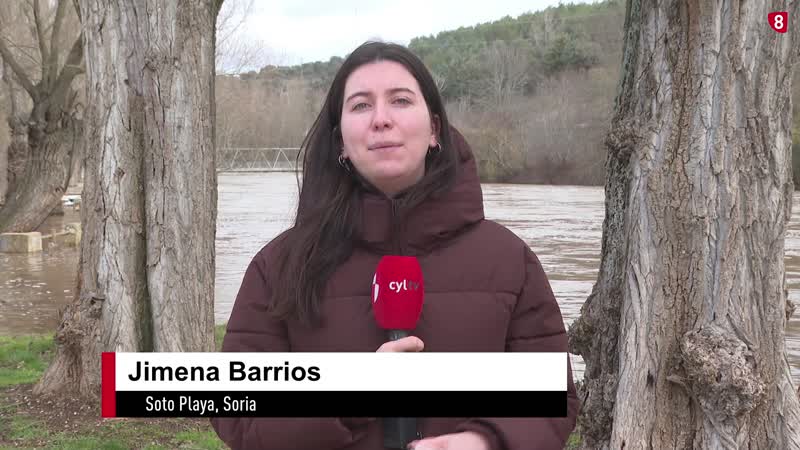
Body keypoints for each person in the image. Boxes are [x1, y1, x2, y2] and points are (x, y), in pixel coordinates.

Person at [210, 40, 580, 450]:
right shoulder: (277, 267)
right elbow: (236, 414)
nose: (381, 120)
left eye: (401, 100)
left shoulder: (510, 260)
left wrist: (483, 441)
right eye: (361, 105)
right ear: (339, 142)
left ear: (435, 128)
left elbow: (554, 402)